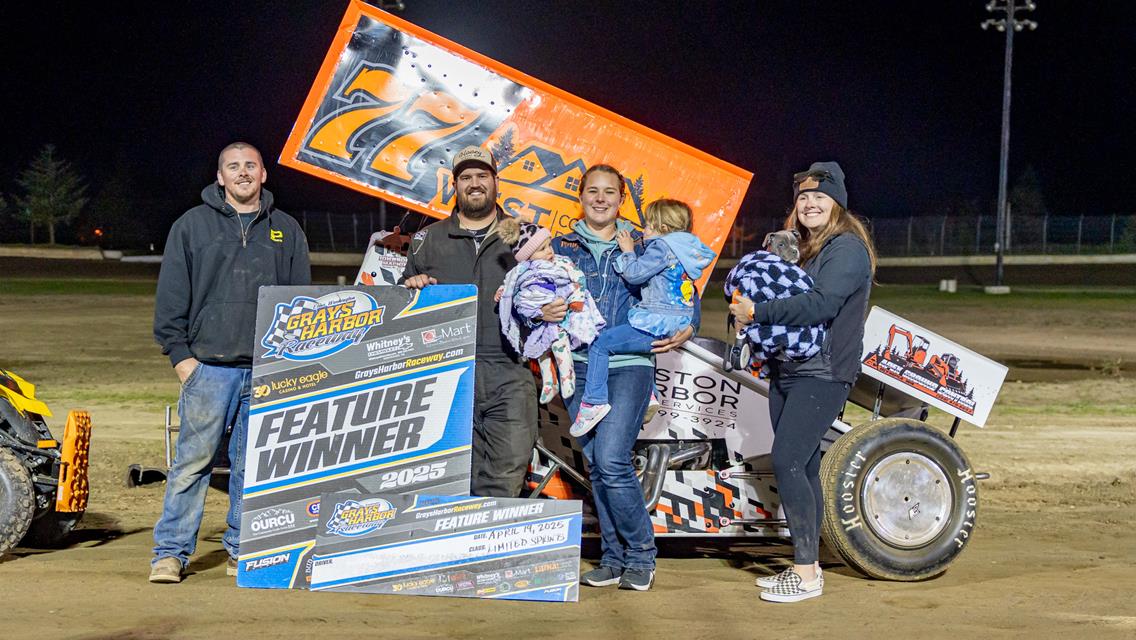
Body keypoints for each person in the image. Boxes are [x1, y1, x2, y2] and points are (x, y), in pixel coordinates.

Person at [150, 142, 311, 584]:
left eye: (250, 166)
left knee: (252, 467)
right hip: (209, 369)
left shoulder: (287, 230)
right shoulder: (191, 226)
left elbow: (303, 303)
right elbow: (170, 300)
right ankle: (170, 553)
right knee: (191, 464)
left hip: (267, 371)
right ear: (219, 177)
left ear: (264, 175)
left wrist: (291, 365)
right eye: (232, 167)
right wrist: (183, 360)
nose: (242, 173)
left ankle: (242, 550)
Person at [542, 165, 696, 592]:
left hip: (630, 361)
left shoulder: (647, 243)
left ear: (621, 198)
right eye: (593, 191)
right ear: (581, 195)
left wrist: (690, 324)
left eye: (610, 192)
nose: (601, 199)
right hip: (578, 365)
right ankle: (613, 558)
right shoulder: (558, 247)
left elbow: (686, 289)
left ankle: (642, 555)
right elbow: (532, 291)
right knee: (596, 465)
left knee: (610, 458)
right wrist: (542, 310)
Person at [729, 161, 877, 603]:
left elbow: (820, 305)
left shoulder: (846, 248)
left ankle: (807, 574)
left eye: (820, 196)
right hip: (789, 371)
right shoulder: (803, 249)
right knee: (803, 466)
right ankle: (806, 559)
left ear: (838, 204)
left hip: (825, 373)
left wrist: (758, 313)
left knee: (788, 459)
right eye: (803, 197)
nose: (810, 203)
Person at [399, 146, 537, 498]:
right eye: (465, 178)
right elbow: (402, 312)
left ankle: (491, 550)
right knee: (452, 476)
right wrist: (411, 289)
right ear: (455, 186)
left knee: (507, 471)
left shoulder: (527, 237)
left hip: (510, 370)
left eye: (482, 176)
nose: (474, 184)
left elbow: (556, 291)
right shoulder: (425, 240)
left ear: (495, 181)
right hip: (445, 372)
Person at [571, 198, 714, 437]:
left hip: (658, 318)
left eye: (648, 225)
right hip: (676, 319)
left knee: (601, 344)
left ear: (662, 227)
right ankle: (649, 394)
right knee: (633, 343)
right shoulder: (687, 249)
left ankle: (593, 401)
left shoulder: (661, 247)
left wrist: (628, 251)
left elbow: (635, 274)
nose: (644, 230)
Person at [495, 218, 606, 404]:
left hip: (563, 311)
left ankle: (567, 377)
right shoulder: (520, 271)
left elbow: (578, 277)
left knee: (558, 342)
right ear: (527, 255)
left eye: (549, 246)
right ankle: (549, 383)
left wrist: (577, 298)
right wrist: (502, 292)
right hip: (540, 317)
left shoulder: (560, 262)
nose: (549, 251)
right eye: (542, 249)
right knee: (540, 350)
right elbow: (509, 285)